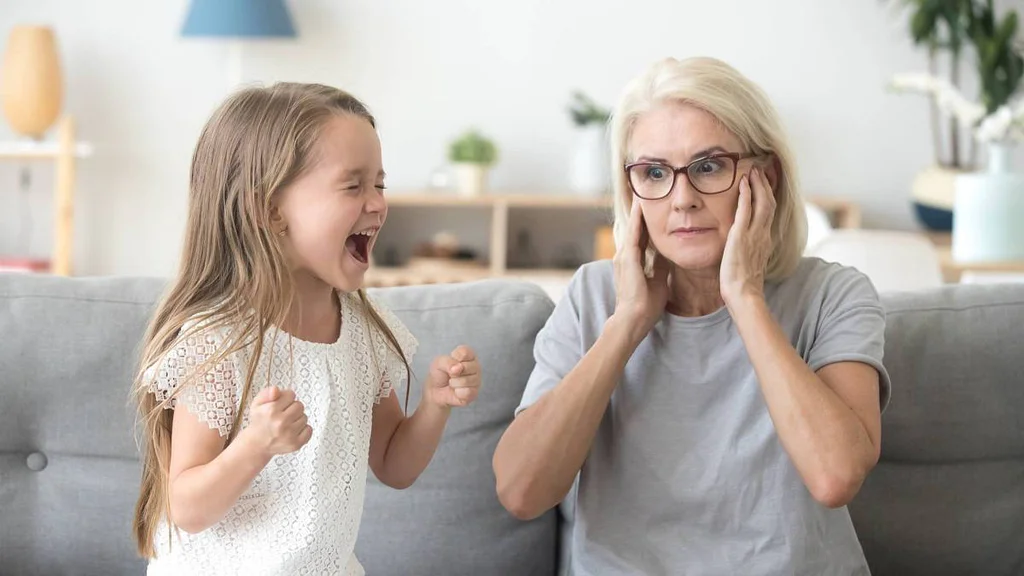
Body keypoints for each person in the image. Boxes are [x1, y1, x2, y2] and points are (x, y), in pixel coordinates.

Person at [493, 57, 890, 575]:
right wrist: (628, 322)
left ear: (766, 177)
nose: (682, 200)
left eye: (708, 166)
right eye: (654, 173)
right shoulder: (594, 296)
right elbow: (521, 492)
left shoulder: (833, 295)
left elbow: (835, 477)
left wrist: (744, 298)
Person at [131, 83, 482, 575]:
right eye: (353, 186)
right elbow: (186, 509)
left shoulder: (364, 331)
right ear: (270, 210)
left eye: (379, 185)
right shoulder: (218, 341)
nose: (377, 204)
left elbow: (394, 465)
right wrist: (255, 446)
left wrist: (434, 406)